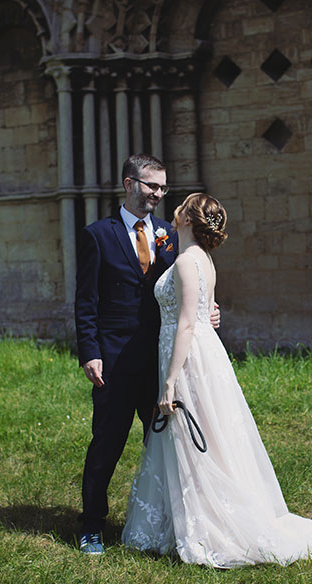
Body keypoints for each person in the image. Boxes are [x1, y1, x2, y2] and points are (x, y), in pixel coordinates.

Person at [121, 193, 312, 567]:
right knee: (201, 438)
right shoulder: (204, 261)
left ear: (187, 219)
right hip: (200, 352)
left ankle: (209, 526)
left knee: (193, 436)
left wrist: (169, 383)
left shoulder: (187, 262)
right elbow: (203, 313)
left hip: (187, 359)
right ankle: (183, 521)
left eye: (182, 205)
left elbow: (187, 322)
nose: (176, 208)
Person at [74, 154, 218, 555]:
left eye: (162, 188)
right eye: (151, 185)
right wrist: (90, 351)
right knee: (107, 443)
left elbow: (185, 287)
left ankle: (175, 524)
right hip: (115, 361)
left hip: (161, 360)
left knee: (168, 445)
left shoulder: (170, 236)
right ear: (129, 184)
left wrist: (209, 309)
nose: (157, 194)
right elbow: (86, 301)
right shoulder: (97, 235)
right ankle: (91, 526)